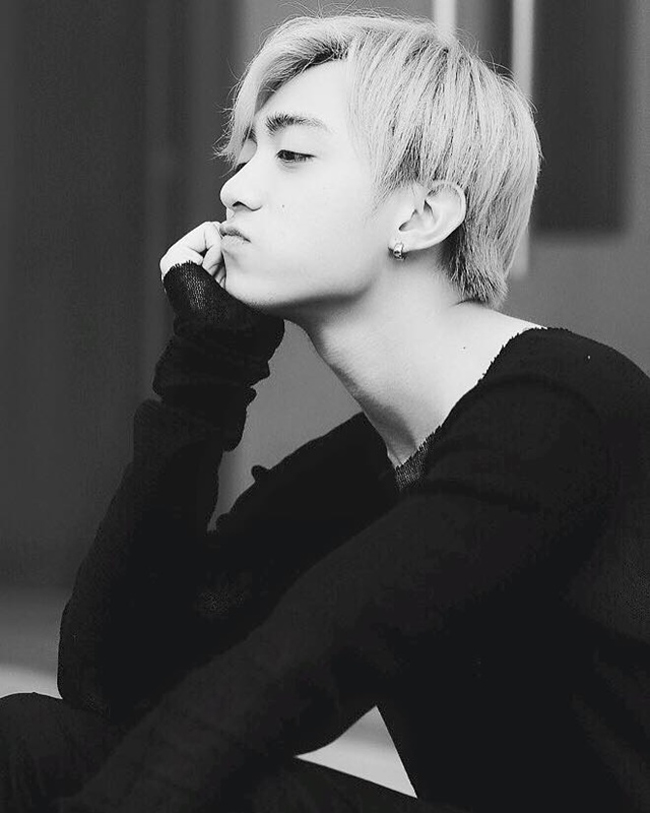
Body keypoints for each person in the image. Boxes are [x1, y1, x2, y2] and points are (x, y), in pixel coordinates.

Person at [1, 10, 649, 813]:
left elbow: (305, 661)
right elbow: (112, 680)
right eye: (247, 154)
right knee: (31, 745)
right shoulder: (369, 465)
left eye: (293, 154)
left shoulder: (562, 414)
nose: (236, 188)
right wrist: (205, 371)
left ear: (420, 215)